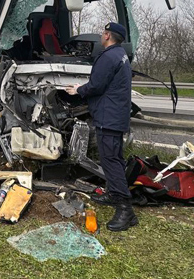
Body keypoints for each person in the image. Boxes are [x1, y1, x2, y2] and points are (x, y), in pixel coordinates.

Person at [66, 22, 135, 231]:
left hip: (109, 116)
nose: (100, 37)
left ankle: (126, 210)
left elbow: (96, 85)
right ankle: (113, 194)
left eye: (103, 33)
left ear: (107, 35)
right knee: (115, 157)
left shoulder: (108, 56)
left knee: (110, 160)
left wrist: (78, 90)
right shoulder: (121, 55)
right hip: (116, 114)